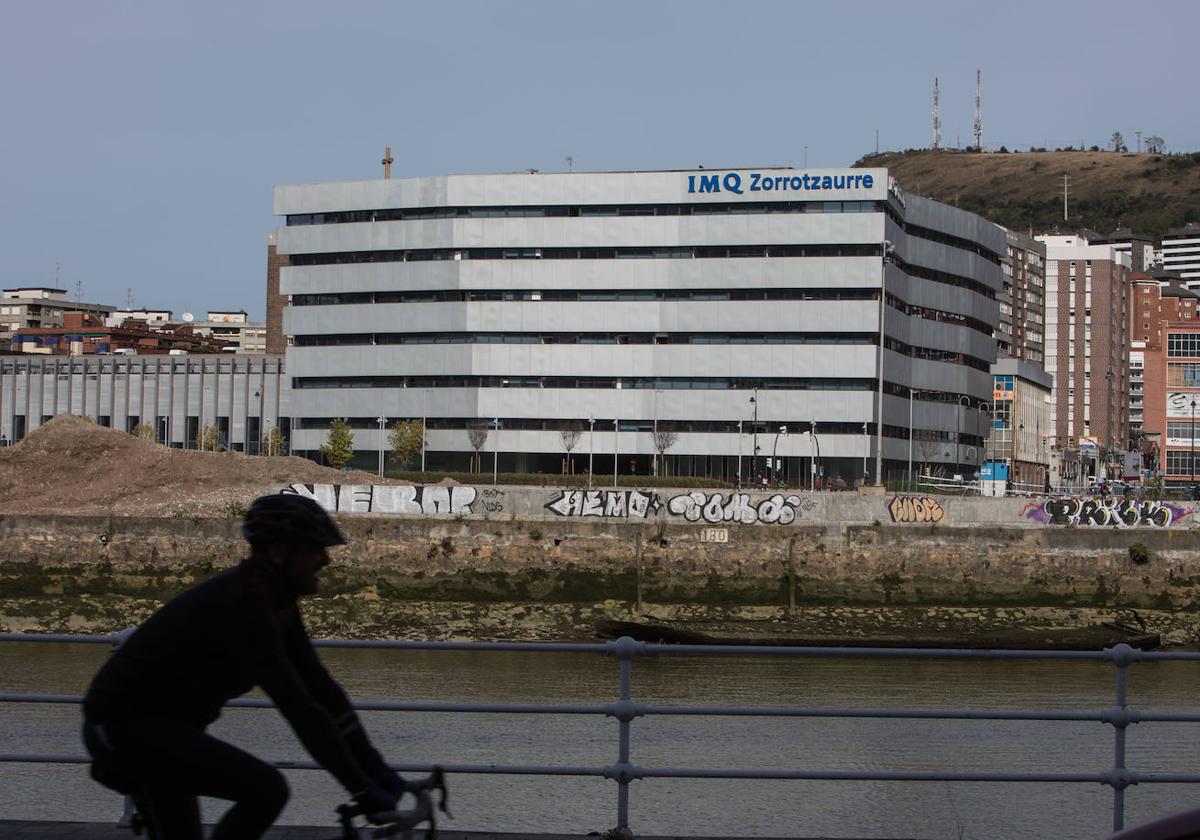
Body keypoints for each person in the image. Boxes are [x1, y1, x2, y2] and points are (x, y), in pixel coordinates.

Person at [82, 494, 402, 839]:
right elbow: (300, 710)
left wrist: (375, 768)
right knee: (267, 789)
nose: (324, 559)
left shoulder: (276, 602)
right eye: (315, 549)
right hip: (125, 729)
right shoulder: (245, 610)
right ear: (280, 553)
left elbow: (323, 692)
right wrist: (359, 787)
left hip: (167, 730)